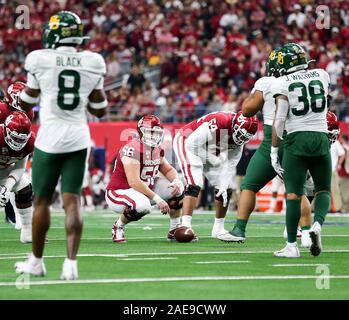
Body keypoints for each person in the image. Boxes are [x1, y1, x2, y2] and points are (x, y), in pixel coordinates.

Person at [15, 11, 108, 280]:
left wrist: (33, 92)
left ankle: (36, 262)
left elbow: (26, 102)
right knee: (73, 202)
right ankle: (71, 266)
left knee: (41, 201)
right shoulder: (93, 61)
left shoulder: (39, 59)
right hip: (79, 137)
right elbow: (100, 109)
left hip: (50, 136)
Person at [220, 48, 312, 248]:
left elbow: (247, 110)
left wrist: (256, 92)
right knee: (297, 190)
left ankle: (239, 230)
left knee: (249, 185)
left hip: (273, 139)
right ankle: (305, 233)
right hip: (298, 137)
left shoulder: (267, 82)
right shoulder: (310, 78)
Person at [271, 43, 331, 258]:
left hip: (296, 138)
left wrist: (274, 149)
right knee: (323, 189)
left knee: (294, 194)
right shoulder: (322, 74)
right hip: (321, 135)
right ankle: (317, 225)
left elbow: (279, 119)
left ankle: (291, 246)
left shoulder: (282, 82)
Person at [173, 111, 258, 241]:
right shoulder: (221, 121)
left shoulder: (238, 142)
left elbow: (230, 165)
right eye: (240, 134)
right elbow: (191, 145)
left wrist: (223, 185)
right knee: (195, 183)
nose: (241, 139)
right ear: (234, 125)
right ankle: (185, 225)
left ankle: (218, 229)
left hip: (208, 150)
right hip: (187, 141)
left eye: (245, 137)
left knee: (226, 188)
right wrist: (213, 159)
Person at [106, 115, 184, 242]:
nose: (154, 136)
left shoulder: (157, 149)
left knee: (178, 188)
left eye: (156, 133)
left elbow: (168, 170)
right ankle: (118, 226)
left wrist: (176, 181)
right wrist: (158, 199)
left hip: (143, 191)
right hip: (119, 192)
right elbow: (134, 182)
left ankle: (174, 230)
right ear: (141, 131)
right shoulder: (132, 148)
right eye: (151, 132)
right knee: (143, 206)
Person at [0, 82, 35, 227]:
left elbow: (20, 162)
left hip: (6, 160)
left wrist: (7, 187)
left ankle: (21, 223)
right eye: (23, 98)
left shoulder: (29, 114)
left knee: (24, 186)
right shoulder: (2, 110)